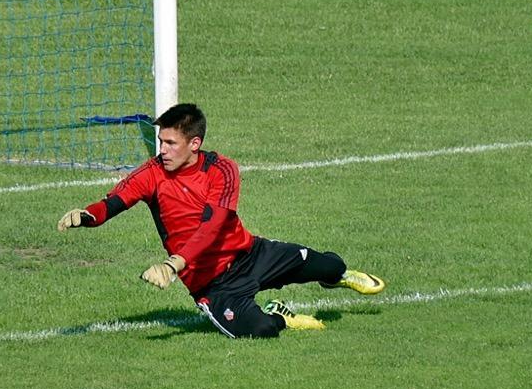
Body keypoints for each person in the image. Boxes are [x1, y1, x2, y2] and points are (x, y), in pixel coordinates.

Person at [57, 102, 386, 339]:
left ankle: (338, 277)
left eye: (171, 143)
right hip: (213, 285)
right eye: (161, 142)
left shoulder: (222, 169)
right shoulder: (152, 173)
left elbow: (213, 226)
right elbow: (113, 203)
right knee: (261, 330)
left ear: (194, 144)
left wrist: (173, 264)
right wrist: (88, 215)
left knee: (329, 265)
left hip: (251, 254)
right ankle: (281, 315)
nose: (163, 150)